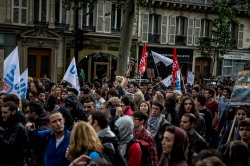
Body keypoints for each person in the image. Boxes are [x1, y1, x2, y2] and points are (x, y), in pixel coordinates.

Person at [0, 101, 28, 166]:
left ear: (13, 112)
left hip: (14, 161)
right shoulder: (8, 123)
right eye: (2, 112)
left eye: (5, 112)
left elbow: (10, 144)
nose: (2, 115)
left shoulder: (18, 126)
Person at [27, 100, 50, 166]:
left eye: (28, 111)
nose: (27, 113)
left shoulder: (43, 128)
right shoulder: (37, 122)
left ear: (33, 113)